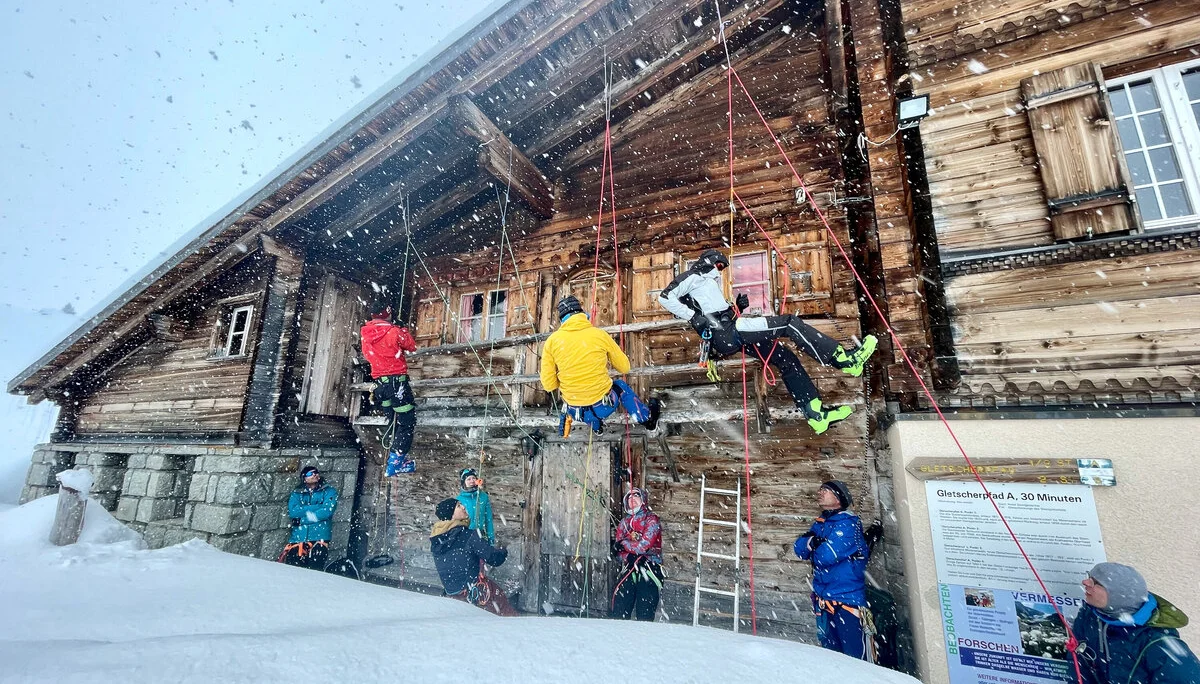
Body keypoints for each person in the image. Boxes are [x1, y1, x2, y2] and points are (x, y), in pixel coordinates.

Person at [658, 248, 877, 434]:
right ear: (709, 261)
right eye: (719, 265)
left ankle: (815, 413)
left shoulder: (707, 282)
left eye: (722, 267)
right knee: (789, 323)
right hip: (727, 333)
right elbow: (665, 297)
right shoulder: (693, 276)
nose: (720, 270)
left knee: (785, 358)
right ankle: (843, 359)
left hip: (728, 332)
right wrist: (693, 316)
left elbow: (714, 311)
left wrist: (737, 307)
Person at [540, 295, 661, 437]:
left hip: (576, 412)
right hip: (603, 406)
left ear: (562, 320)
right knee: (620, 386)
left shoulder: (552, 342)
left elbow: (549, 385)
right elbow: (625, 368)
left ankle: (597, 428)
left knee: (586, 408)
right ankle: (647, 420)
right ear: (581, 313)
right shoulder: (599, 335)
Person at [1073, 562, 1200, 683]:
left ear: (1118, 594)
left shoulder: (1159, 644)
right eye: (1089, 577)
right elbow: (1077, 664)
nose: (1085, 582)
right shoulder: (1090, 616)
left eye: (1096, 582)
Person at [794, 480, 875, 662]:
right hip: (824, 601)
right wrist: (812, 543)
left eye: (826, 490)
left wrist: (813, 545)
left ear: (839, 498)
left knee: (855, 659)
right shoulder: (821, 522)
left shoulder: (849, 524)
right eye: (820, 489)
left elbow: (826, 556)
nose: (820, 492)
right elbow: (798, 549)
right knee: (831, 658)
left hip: (847, 602)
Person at [430, 497, 517, 616]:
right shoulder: (468, 535)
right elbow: (493, 559)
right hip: (476, 594)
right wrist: (503, 550)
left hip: (452, 597)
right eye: (458, 506)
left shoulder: (437, 540)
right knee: (504, 611)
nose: (463, 507)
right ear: (451, 515)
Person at [360, 298, 418, 475]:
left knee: (393, 421)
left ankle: (394, 458)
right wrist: (402, 328)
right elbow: (411, 346)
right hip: (396, 383)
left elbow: (368, 355)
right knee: (406, 423)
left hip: (380, 384)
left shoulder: (366, 333)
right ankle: (395, 463)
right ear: (388, 313)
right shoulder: (394, 331)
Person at [611, 487, 664, 621]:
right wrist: (628, 556)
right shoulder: (624, 523)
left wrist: (624, 544)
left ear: (643, 499)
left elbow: (644, 546)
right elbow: (618, 553)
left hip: (649, 568)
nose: (632, 499)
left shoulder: (651, 520)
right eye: (629, 497)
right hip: (630, 568)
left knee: (645, 612)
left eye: (636, 495)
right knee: (620, 610)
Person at [279, 466, 338, 570]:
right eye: (310, 474)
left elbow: (327, 511)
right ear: (304, 478)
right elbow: (293, 512)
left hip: (319, 538)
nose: (314, 475)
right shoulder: (297, 493)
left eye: (316, 472)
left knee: (314, 571)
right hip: (298, 539)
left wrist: (302, 520)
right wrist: (317, 507)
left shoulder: (329, 491)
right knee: (293, 571)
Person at [456, 467, 495, 544]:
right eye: (468, 479)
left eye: (473, 478)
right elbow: (456, 521)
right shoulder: (459, 499)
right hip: (464, 537)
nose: (472, 481)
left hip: (480, 535)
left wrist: (491, 538)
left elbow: (488, 519)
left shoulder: (483, 497)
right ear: (464, 482)